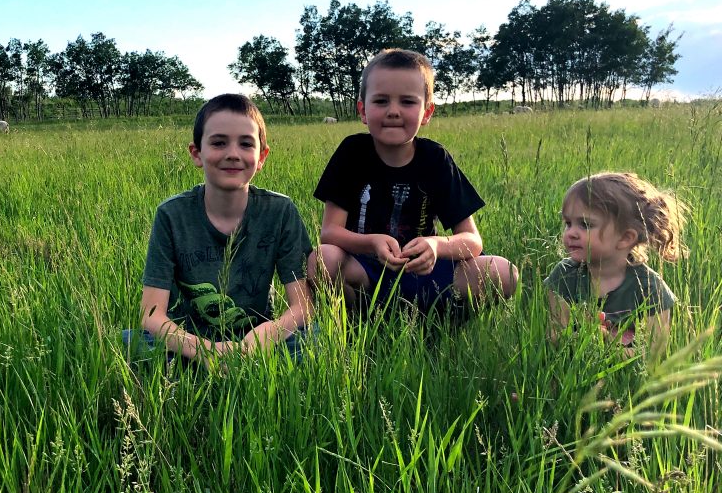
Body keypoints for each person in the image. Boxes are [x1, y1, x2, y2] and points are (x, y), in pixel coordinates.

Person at [309, 48, 516, 318]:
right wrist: (371, 243)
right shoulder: (352, 153)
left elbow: (472, 240)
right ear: (363, 110)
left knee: (504, 272)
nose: (393, 111)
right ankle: (360, 324)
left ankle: (442, 322)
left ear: (427, 112)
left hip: (426, 271)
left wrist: (436, 246)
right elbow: (330, 233)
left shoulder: (435, 159)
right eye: (381, 101)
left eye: (407, 102)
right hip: (367, 271)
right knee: (323, 259)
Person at [134, 94, 313, 368]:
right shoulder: (171, 215)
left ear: (261, 156)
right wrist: (204, 351)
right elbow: (151, 314)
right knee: (131, 344)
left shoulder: (280, 211)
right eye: (219, 143)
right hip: (189, 339)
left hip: (256, 337)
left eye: (246, 144)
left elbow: (303, 306)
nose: (233, 154)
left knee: (314, 341)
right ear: (197, 153)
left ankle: (243, 365)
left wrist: (267, 335)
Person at [545, 172, 686, 353]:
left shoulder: (650, 289)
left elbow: (654, 353)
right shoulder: (564, 275)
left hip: (625, 369)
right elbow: (555, 337)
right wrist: (584, 339)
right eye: (568, 223)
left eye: (585, 225)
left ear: (625, 238)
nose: (571, 233)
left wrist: (605, 344)